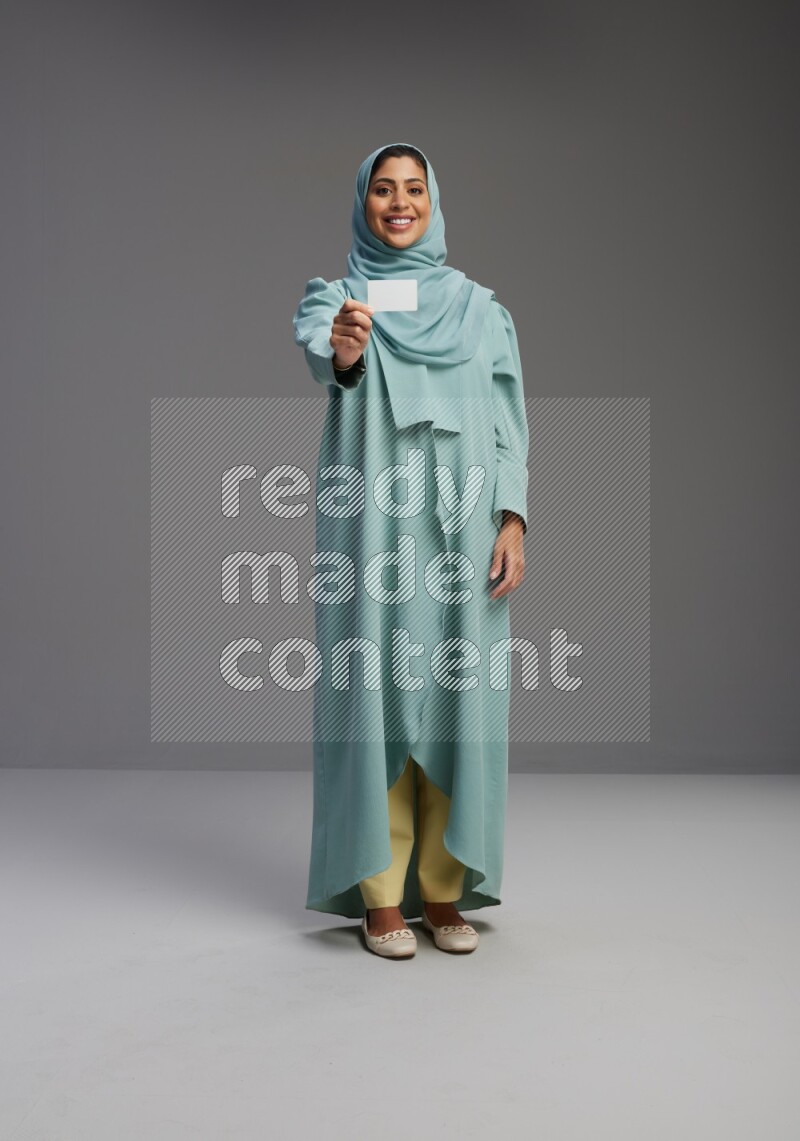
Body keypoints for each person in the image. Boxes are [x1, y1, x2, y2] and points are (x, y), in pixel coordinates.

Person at [292, 142, 529, 958]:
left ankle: (441, 887)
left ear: (434, 199)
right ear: (363, 202)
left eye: (414, 189)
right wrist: (348, 350)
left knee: (461, 698)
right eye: (384, 190)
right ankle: (379, 893)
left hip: (464, 528)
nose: (400, 203)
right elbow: (331, 360)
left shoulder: (479, 307)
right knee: (378, 694)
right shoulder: (341, 297)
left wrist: (513, 518)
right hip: (375, 529)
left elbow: (508, 424)